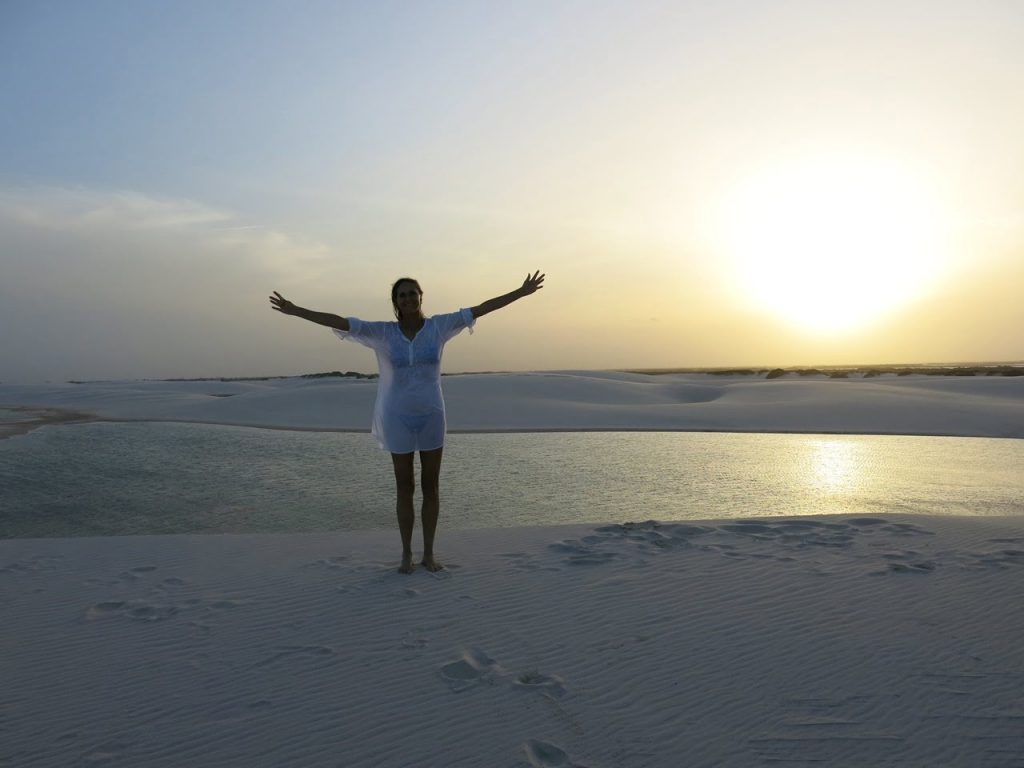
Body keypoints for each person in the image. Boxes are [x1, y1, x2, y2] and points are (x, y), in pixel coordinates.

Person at [269, 271, 545, 573]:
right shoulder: (383, 333)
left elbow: (481, 308)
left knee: (431, 486)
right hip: (396, 416)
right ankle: (405, 554)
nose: (408, 298)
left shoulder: (439, 326)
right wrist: (295, 311)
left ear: (421, 296)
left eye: (413, 293)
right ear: (395, 302)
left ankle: (428, 553)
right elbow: (340, 322)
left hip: (432, 415)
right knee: (405, 486)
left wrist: (519, 292)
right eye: (402, 295)